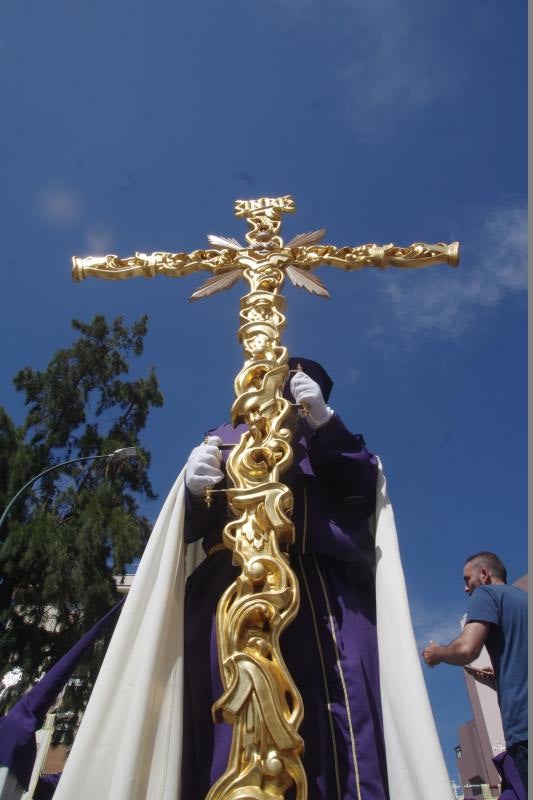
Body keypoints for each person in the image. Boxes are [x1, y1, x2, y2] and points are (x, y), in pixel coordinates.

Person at [54, 356, 453, 800]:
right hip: (229, 589)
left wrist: (324, 425)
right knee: (219, 718)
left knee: (338, 730)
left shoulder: (328, 438)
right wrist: (189, 490)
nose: (282, 387)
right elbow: (185, 533)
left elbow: (362, 492)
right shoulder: (222, 438)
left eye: (297, 380)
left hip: (322, 600)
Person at [422, 552, 528, 795]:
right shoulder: (524, 600)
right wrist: (498, 681)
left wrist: (437, 653)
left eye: (467, 579)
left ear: (484, 575)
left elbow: (466, 649)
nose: (465, 588)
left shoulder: (487, 594)